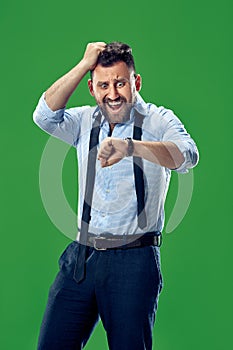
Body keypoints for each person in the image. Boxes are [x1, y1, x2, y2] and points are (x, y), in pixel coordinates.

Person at [33, 41, 199, 350]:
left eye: (120, 83)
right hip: (82, 256)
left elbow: (187, 155)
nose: (113, 93)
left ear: (135, 82)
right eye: (103, 85)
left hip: (134, 260)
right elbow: (44, 115)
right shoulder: (84, 121)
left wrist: (131, 147)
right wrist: (84, 63)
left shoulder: (158, 120)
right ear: (92, 88)